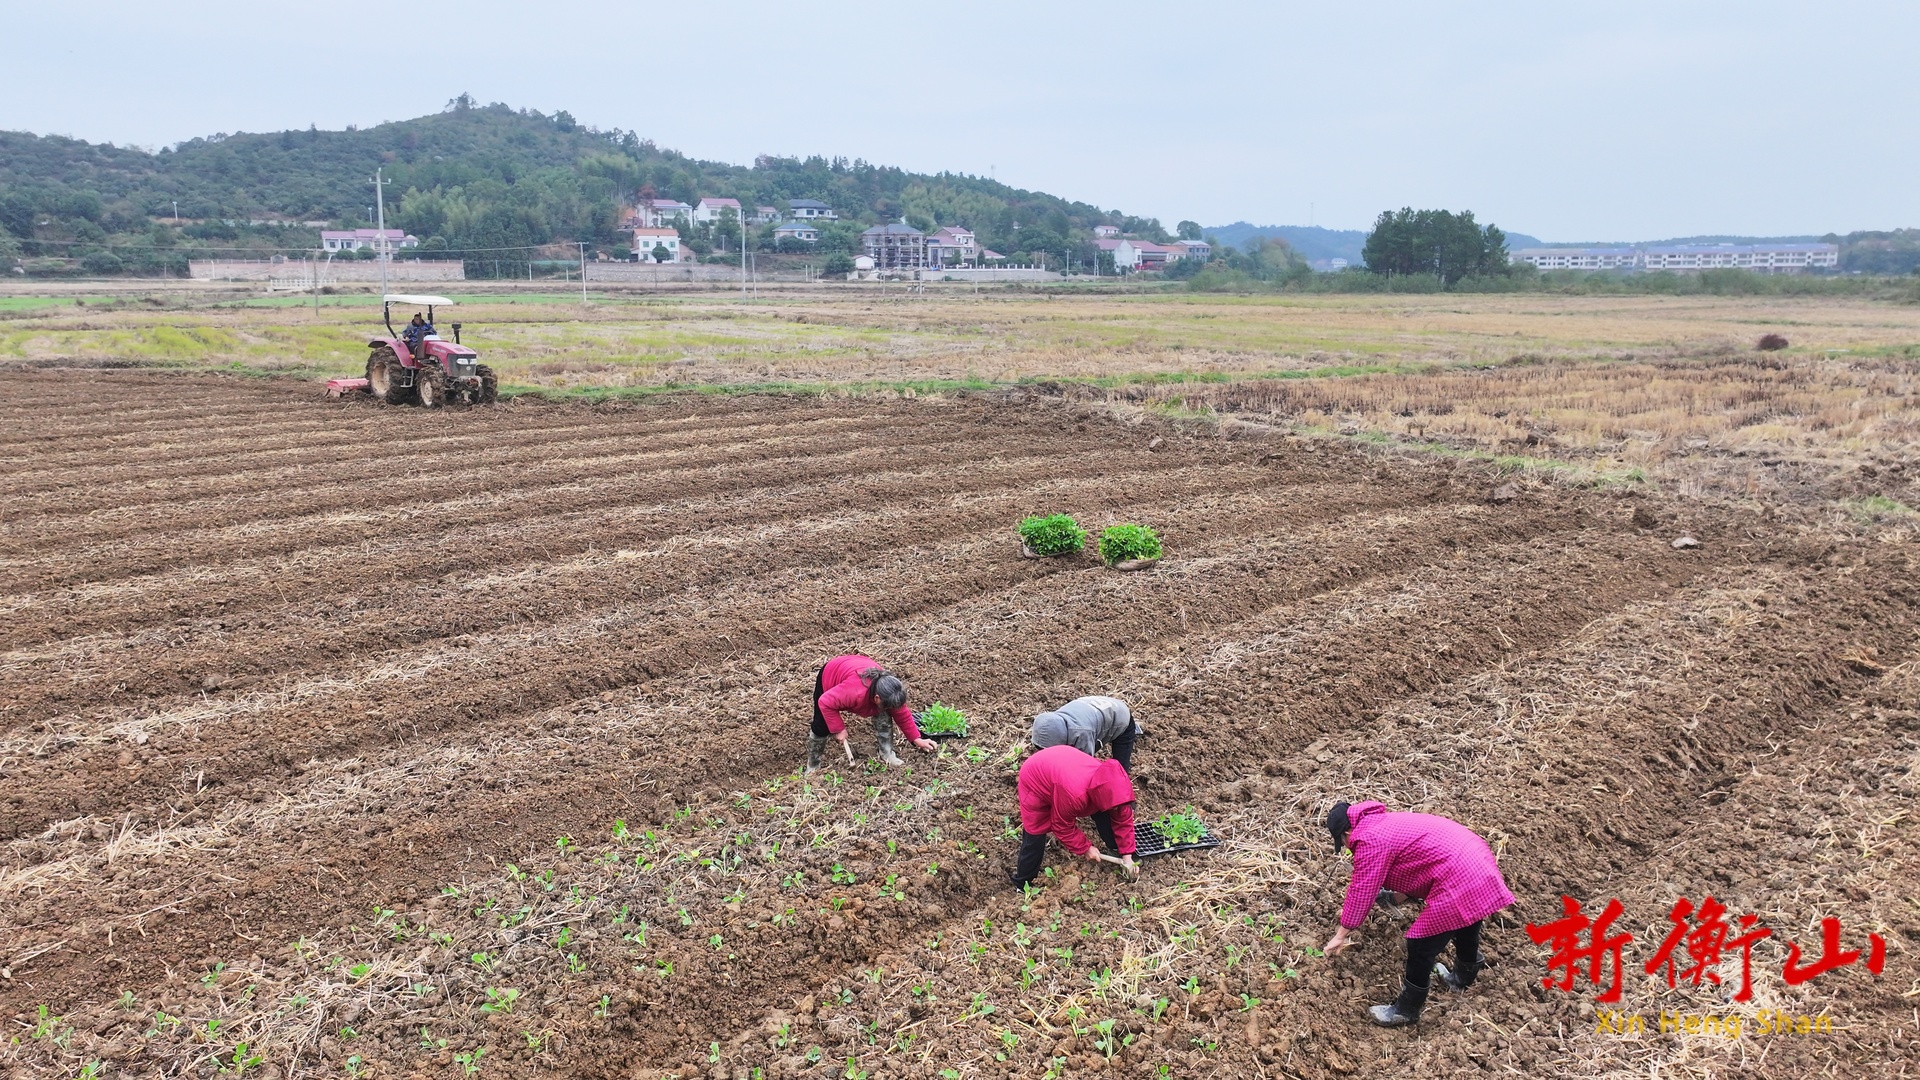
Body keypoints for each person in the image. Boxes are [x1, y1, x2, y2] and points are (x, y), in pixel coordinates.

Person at [1322, 800, 1515, 1027]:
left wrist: (1340, 934)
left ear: (1347, 832)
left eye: (1342, 841)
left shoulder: (1368, 839)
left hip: (1457, 872)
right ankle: (1462, 978)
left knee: (1420, 943)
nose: (1345, 847)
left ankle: (1406, 1010)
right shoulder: (1382, 822)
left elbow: (1361, 891)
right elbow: (1418, 865)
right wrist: (1394, 898)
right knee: (1468, 917)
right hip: (1475, 859)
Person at [1010, 745, 1139, 890]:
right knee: (1035, 832)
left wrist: (1127, 855)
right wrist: (1085, 848)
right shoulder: (1075, 795)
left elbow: (1123, 817)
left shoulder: (1114, 785)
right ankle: (1023, 883)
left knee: (1106, 811)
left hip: (1063, 766)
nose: (1117, 809)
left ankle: (1115, 847)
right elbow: (1061, 825)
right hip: (1035, 777)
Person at [808, 654, 936, 771]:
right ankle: (813, 766)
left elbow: (902, 714)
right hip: (832, 672)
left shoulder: (891, 690)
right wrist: (838, 729)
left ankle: (887, 754)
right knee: (821, 726)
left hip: (859, 664)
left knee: (884, 713)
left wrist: (917, 739)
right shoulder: (854, 692)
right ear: (876, 698)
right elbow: (825, 702)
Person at [1029, 695, 1141, 773]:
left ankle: (1125, 802)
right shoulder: (1050, 722)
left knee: (1120, 769)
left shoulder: (1081, 734)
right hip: (1095, 709)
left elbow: (1085, 768)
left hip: (1121, 715)